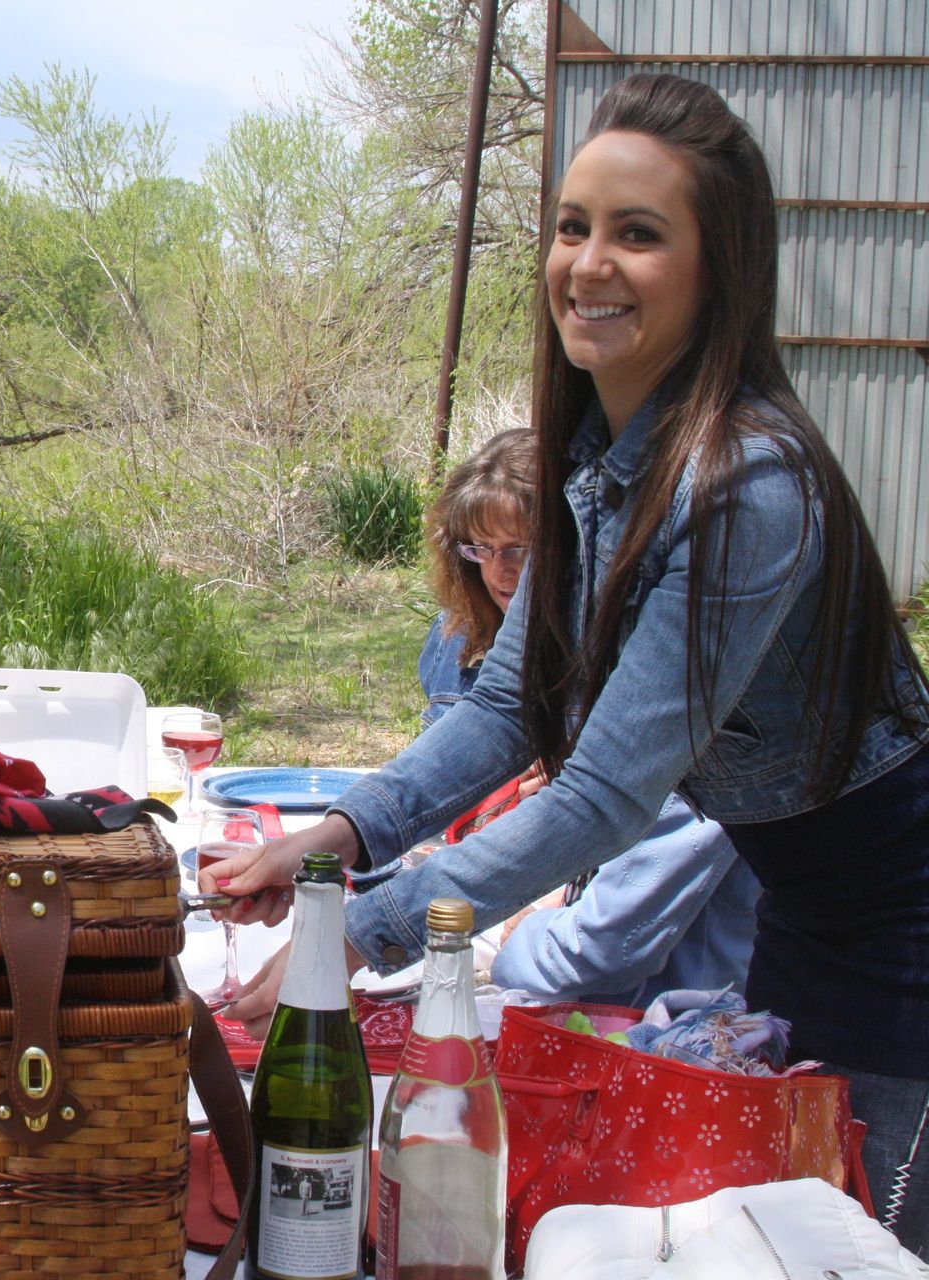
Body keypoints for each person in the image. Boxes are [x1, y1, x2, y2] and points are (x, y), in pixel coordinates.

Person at [208, 73, 929, 1247]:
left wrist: (368, 932)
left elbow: (601, 792)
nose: (588, 263)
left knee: (857, 1239)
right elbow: (509, 705)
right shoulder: (595, 455)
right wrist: (338, 842)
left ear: (719, 268)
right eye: (573, 225)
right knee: (791, 1217)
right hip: (800, 908)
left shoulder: (750, 480)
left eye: (638, 233)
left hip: (902, 927)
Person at [247, 429, 759, 1015]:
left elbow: (598, 937)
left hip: (660, 1031)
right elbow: (498, 715)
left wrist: (373, 936)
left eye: (523, 549)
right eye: (480, 549)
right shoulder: (479, 636)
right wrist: (337, 838)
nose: (502, 572)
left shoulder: (685, 667)